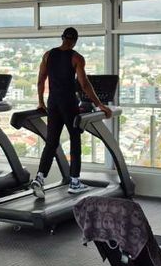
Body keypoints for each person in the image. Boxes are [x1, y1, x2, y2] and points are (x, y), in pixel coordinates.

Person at [30, 27, 112, 199]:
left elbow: (41, 80)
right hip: (69, 103)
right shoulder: (77, 58)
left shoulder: (47, 55)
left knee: (51, 142)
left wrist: (41, 102)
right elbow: (84, 84)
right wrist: (100, 105)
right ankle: (75, 182)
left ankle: (40, 177)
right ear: (75, 41)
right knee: (75, 140)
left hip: (53, 102)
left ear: (62, 38)